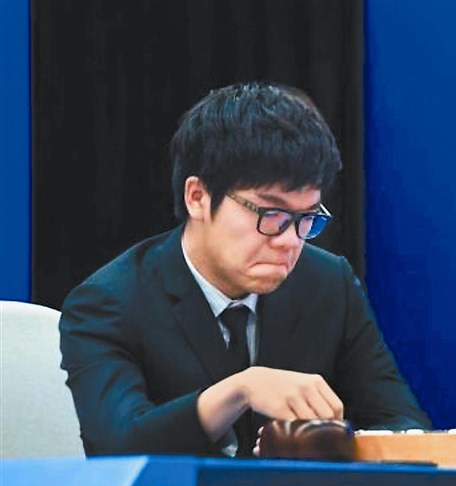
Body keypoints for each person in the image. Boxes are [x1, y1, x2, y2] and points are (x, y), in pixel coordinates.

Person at [59, 82, 431, 458]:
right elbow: (119, 446)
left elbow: (402, 423)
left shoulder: (329, 284)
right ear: (197, 197)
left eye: (307, 218)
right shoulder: (109, 302)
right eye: (271, 214)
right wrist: (239, 391)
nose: (290, 241)